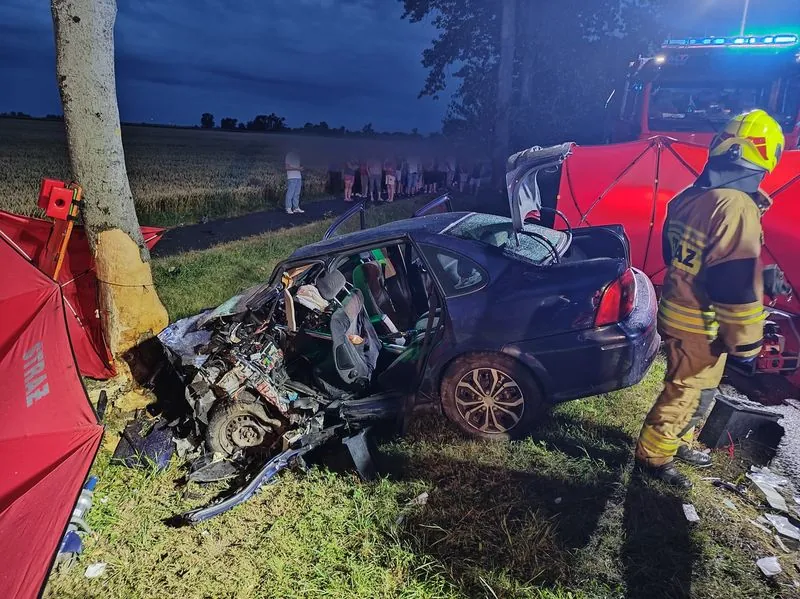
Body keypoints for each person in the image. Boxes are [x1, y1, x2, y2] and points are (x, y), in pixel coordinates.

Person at [635, 109, 785, 488]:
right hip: (702, 323)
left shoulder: (688, 198)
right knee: (686, 392)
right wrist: (746, 344)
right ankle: (653, 458)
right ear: (765, 157)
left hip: (679, 310)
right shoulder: (736, 206)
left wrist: (760, 277)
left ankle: (680, 441)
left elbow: (681, 256)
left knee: (701, 388)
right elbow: (734, 287)